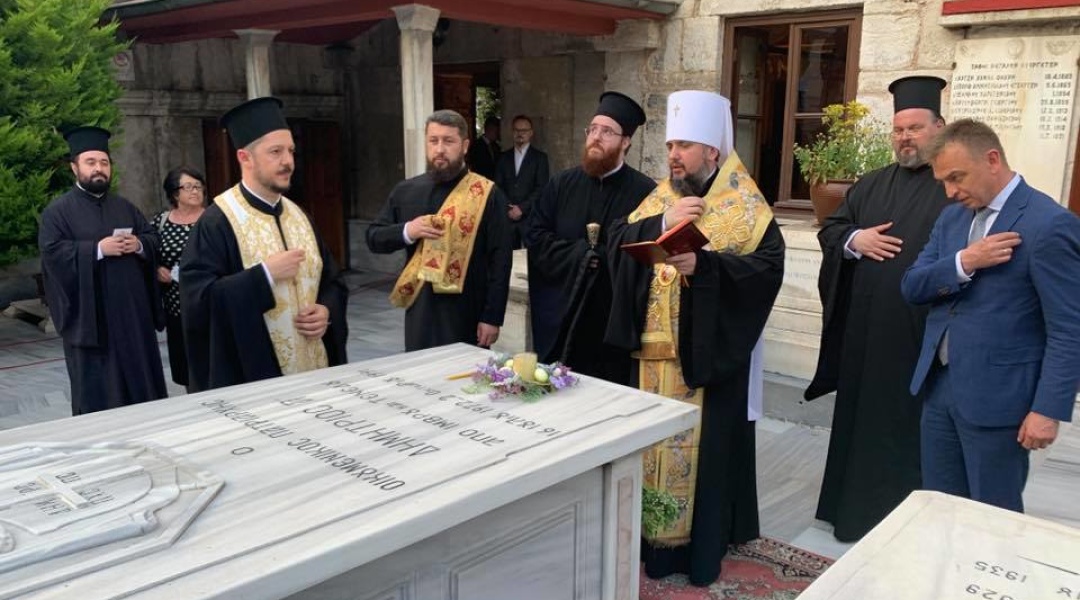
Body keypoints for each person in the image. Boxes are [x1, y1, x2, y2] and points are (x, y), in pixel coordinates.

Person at [606, 90, 785, 586]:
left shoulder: (747, 207)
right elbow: (619, 239)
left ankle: (695, 552)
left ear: (711, 150)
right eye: (670, 146)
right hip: (650, 357)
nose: (673, 155)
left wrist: (704, 268)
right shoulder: (663, 196)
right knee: (649, 451)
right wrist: (662, 223)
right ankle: (647, 544)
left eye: (683, 146)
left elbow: (765, 271)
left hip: (703, 361)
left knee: (698, 459)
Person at [901, 118, 1080, 512]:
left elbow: (1070, 329)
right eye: (943, 181)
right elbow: (912, 285)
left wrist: (1048, 409)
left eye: (956, 177)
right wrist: (964, 262)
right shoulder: (952, 218)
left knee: (993, 519)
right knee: (939, 509)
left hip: (1001, 401)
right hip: (940, 389)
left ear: (992, 160)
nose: (950, 191)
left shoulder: (1049, 224)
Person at [804, 76, 951, 541]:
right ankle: (852, 513)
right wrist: (855, 239)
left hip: (919, 340)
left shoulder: (954, 188)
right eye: (898, 129)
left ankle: (906, 526)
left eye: (915, 128)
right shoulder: (870, 185)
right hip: (865, 338)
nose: (905, 137)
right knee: (862, 426)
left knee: (908, 432)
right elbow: (832, 230)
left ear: (939, 128)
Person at [180, 97, 349, 391]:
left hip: (315, 374)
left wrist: (326, 312)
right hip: (254, 381)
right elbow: (199, 302)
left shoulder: (300, 216)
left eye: (290, 151)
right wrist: (264, 275)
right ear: (245, 158)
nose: (288, 161)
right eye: (275, 152)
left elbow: (332, 281)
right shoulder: (217, 222)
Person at [525, 92, 656, 384]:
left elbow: (646, 255)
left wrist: (606, 259)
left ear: (625, 142)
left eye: (607, 132)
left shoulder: (646, 193)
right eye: (593, 129)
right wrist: (581, 255)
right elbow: (535, 235)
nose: (596, 137)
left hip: (610, 323)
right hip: (562, 314)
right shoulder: (561, 184)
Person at [38, 126, 167, 414]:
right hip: (91, 321)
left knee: (142, 390)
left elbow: (151, 238)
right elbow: (53, 254)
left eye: (104, 162)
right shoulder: (57, 213)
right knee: (101, 396)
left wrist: (139, 244)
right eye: (91, 162)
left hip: (133, 317)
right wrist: (96, 250)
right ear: (75, 168)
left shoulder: (125, 207)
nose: (99, 169)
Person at [367, 109, 512, 351]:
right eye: (433, 140)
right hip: (420, 311)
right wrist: (409, 231)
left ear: (465, 146)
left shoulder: (488, 194)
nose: (440, 149)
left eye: (448, 141)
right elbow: (374, 237)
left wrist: (492, 317)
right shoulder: (406, 190)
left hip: (468, 312)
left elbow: (501, 260)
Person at [151, 167, 207, 390]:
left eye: (198, 186)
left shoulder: (214, 219)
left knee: (210, 365)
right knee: (186, 370)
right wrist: (157, 269)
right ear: (175, 193)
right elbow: (149, 254)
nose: (195, 191)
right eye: (189, 187)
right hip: (176, 308)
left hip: (208, 306)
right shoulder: (161, 222)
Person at [494, 115, 550, 249]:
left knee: (529, 257)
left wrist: (522, 208)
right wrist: (508, 208)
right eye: (517, 130)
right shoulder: (503, 158)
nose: (520, 134)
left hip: (530, 218)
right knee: (507, 256)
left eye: (524, 130)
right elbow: (497, 186)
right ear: (512, 132)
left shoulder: (540, 158)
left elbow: (542, 188)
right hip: (507, 218)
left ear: (531, 133)